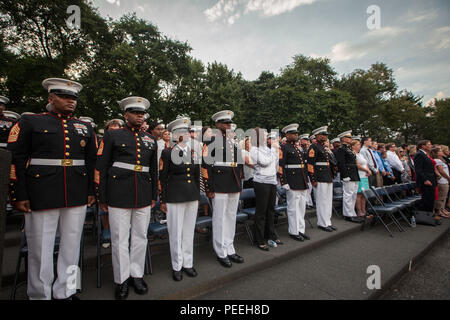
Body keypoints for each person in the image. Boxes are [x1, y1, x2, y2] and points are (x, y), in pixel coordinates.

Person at [8, 78, 97, 300]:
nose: (70, 101)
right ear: (50, 98)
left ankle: (66, 289)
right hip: (41, 191)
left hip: (75, 192)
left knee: (72, 245)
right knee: (40, 248)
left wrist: (90, 191)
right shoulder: (30, 122)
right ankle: (40, 294)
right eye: (64, 96)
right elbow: (15, 160)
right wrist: (18, 193)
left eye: (73, 98)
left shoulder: (85, 127)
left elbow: (91, 163)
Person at [96, 96, 158, 300]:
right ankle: (121, 279)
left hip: (143, 192)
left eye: (142, 114)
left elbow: (153, 171)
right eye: (135, 113)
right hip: (118, 193)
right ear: (126, 115)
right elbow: (102, 167)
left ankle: (136, 275)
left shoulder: (150, 139)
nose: (140, 116)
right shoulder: (113, 136)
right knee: (120, 239)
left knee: (140, 236)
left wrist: (153, 195)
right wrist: (102, 196)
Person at [159, 118, 201, 281]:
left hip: (191, 195)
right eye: (182, 132)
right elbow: (163, 178)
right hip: (174, 196)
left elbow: (196, 177)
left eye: (187, 132)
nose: (186, 134)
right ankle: (177, 265)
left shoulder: (192, 152)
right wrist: (163, 199)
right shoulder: (167, 152)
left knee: (188, 231)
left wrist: (197, 195)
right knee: (175, 232)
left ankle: (188, 263)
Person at [202, 110, 244, 268]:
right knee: (219, 218)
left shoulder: (232, 142)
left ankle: (230, 247)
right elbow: (205, 165)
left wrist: (239, 183)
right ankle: (220, 251)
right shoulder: (211, 140)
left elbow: (238, 164)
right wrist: (208, 187)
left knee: (231, 216)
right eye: (225, 123)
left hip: (233, 183)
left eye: (229, 123)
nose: (229, 125)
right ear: (218, 124)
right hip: (218, 183)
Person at [250, 128, 282, 251]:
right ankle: (259, 238)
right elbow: (264, 162)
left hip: (272, 181)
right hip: (261, 182)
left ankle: (271, 235)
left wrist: (273, 152)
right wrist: (274, 150)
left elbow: (275, 164)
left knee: (270, 210)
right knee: (261, 212)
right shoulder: (254, 149)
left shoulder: (268, 149)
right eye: (263, 134)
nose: (266, 136)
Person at [279, 123, 310, 241]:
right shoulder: (284, 147)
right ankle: (294, 231)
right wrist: (284, 181)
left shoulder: (298, 147)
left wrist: (306, 179)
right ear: (287, 135)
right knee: (293, 208)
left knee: (301, 207)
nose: (296, 135)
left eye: (296, 133)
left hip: (301, 179)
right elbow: (281, 165)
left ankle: (301, 229)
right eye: (293, 133)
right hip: (292, 180)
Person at [98, 119, 124, 249]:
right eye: (111, 130)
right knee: (105, 210)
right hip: (102, 178)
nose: (114, 132)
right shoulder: (101, 143)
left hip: (119, 180)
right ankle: (106, 231)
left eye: (117, 129)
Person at [307, 126, 337, 232]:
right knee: (321, 201)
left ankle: (328, 221)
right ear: (317, 136)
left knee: (328, 201)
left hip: (327, 175)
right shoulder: (313, 147)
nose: (325, 137)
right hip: (319, 177)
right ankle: (322, 223)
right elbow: (310, 165)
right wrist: (313, 179)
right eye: (323, 135)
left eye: (326, 135)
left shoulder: (324, 148)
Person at [336, 130, 363, 223]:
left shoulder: (349, 149)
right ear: (343, 139)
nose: (350, 139)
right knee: (348, 194)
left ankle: (352, 212)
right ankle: (348, 214)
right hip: (348, 174)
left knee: (353, 195)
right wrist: (345, 175)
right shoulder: (341, 149)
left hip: (353, 173)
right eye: (348, 137)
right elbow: (341, 163)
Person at [413, 140, 437, 218]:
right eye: (429, 144)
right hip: (426, 181)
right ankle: (426, 217)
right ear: (423, 146)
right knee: (427, 200)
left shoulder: (425, 154)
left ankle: (429, 216)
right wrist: (425, 180)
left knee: (430, 199)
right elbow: (419, 169)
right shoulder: (419, 154)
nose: (431, 146)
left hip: (431, 179)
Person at [431, 147, 450, 218]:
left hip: (445, 181)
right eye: (440, 151)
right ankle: (439, 211)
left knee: (444, 197)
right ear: (437, 153)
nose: (442, 152)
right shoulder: (437, 160)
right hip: (442, 181)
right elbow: (441, 171)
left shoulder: (441, 160)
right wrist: (448, 178)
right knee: (441, 197)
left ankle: (442, 209)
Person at [354, 140, 371, 217]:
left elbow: (365, 163)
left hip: (365, 176)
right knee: (359, 194)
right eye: (357, 144)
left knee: (364, 194)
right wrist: (366, 170)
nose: (359, 146)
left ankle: (364, 210)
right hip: (359, 175)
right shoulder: (354, 155)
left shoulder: (360, 154)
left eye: (359, 144)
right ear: (353, 146)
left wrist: (368, 170)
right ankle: (359, 211)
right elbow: (358, 165)